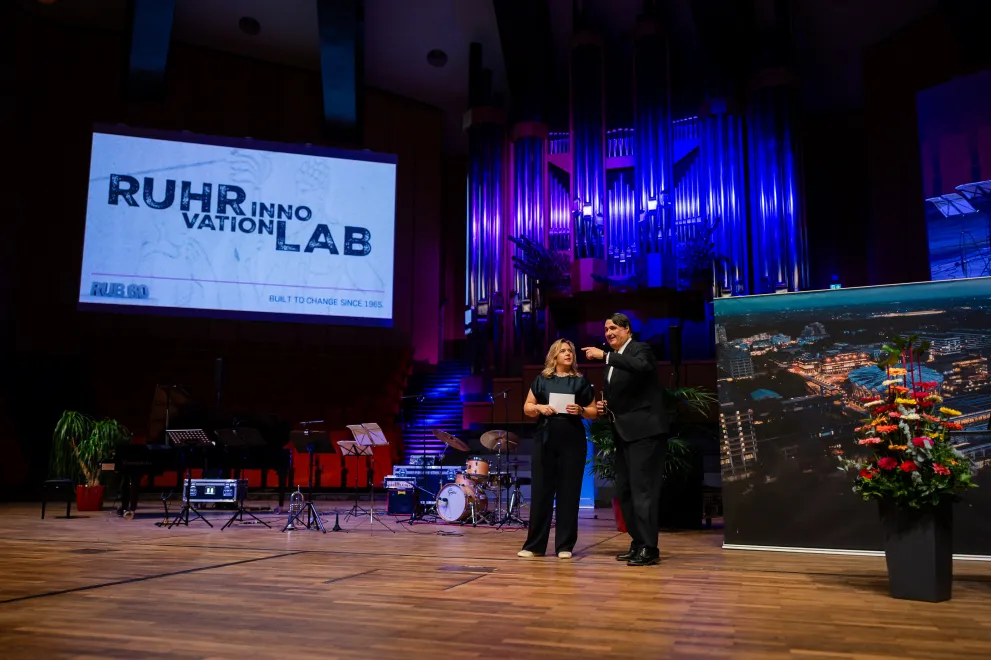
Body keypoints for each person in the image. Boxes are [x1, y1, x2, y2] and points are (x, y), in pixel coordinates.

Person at [583, 313, 668, 566]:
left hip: (644, 432)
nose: (608, 333)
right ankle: (638, 542)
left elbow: (642, 367)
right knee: (625, 491)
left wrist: (606, 356)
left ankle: (649, 548)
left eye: (613, 328)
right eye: (606, 329)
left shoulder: (640, 349)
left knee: (643, 491)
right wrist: (606, 405)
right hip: (623, 433)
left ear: (627, 329)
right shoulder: (613, 360)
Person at [518, 338, 597, 559]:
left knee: (569, 493)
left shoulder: (580, 381)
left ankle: (564, 546)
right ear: (554, 356)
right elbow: (527, 407)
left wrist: (581, 410)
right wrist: (539, 407)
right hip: (545, 440)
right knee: (541, 492)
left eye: (570, 350)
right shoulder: (542, 380)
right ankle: (534, 546)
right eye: (563, 351)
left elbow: (593, 411)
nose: (568, 354)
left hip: (573, 442)